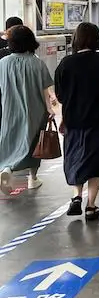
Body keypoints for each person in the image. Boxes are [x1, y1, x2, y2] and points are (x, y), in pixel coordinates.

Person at [55, 23, 99, 221]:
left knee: (75, 156)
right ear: (96, 39)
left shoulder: (66, 63)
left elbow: (60, 95)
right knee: (97, 161)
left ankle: (77, 196)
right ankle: (91, 206)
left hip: (74, 120)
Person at [0, 26, 56, 194]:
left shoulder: (3, 63)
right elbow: (48, 90)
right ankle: (33, 178)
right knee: (34, 143)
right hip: (35, 109)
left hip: (9, 109)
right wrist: (52, 108)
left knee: (9, 139)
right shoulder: (37, 63)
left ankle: (7, 169)